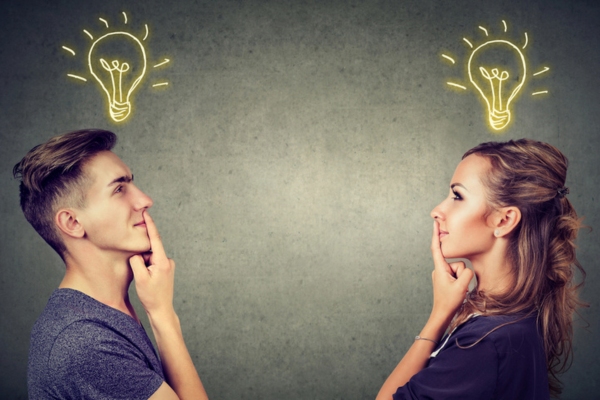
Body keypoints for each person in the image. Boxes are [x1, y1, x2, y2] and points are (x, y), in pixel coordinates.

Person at [376, 139, 586, 400]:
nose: (436, 211)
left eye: (457, 196)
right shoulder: (516, 319)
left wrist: (438, 316)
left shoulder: (484, 343)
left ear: (504, 219)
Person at [14, 129, 209, 399]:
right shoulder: (85, 343)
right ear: (73, 223)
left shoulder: (102, 314)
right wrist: (163, 314)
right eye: (119, 189)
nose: (145, 200)